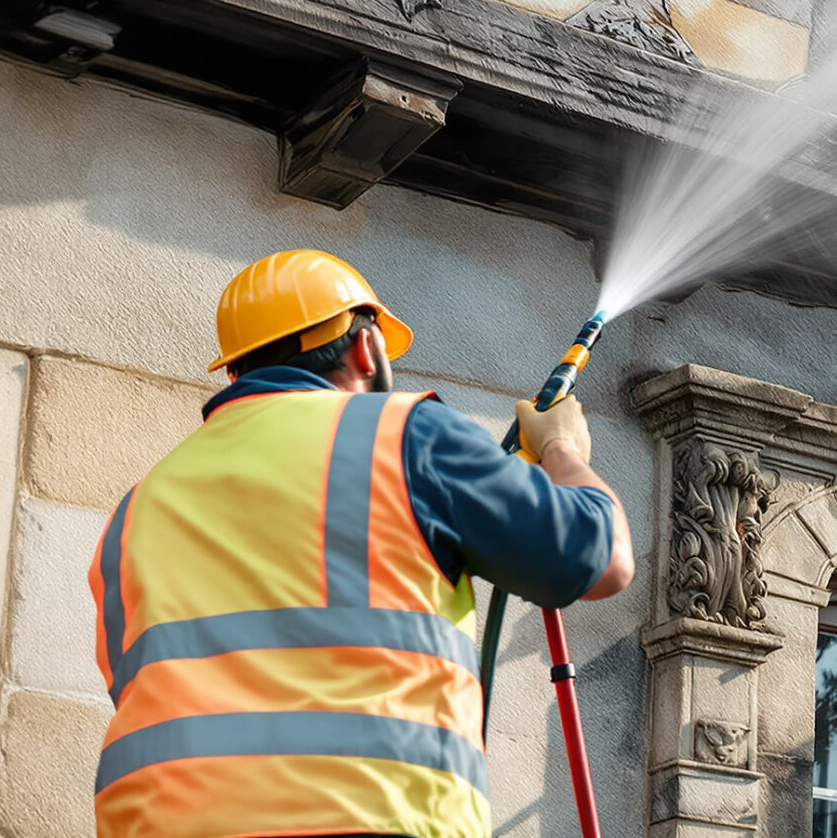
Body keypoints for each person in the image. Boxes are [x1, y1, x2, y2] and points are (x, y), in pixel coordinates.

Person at [86, 249, 633, 838]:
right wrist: (562, 449)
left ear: (236, 372)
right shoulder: (404, 436)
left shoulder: (137, 508)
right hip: (366, 816)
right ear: (366, 346)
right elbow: (600, 558)